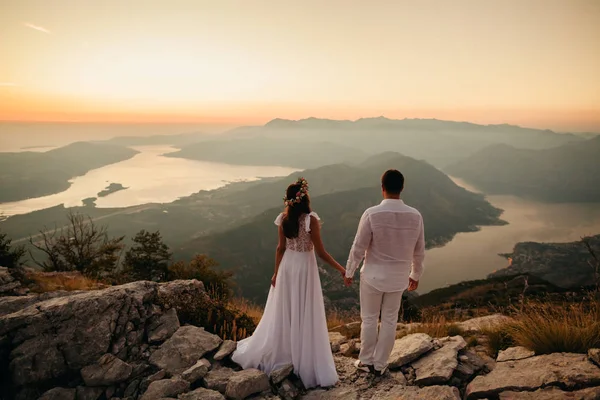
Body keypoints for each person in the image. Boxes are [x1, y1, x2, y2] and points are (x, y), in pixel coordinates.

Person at [232, 177, 343, 389]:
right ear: (304, 199)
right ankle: (303, 354)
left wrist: (275, 273)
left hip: (287, 266)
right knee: (303, 308)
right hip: (304, 268)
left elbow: (280, 248)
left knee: (285, 309)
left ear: (289, 200)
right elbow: (320, 252)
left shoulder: (284, 219)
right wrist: (341, 269)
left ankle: (286, 351)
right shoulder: (311, 220)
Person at [344, 169, 425, 376]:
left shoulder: (372, 213)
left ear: (382, 189)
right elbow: (419, 250)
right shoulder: (415, 216)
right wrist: (415, 275)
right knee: (390, 320)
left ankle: (365, 361)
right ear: (402, 188)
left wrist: (349, 270)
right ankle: (380, 365)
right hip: (399, 278)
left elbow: (358, 247)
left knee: (369, 319)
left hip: (373, 276)